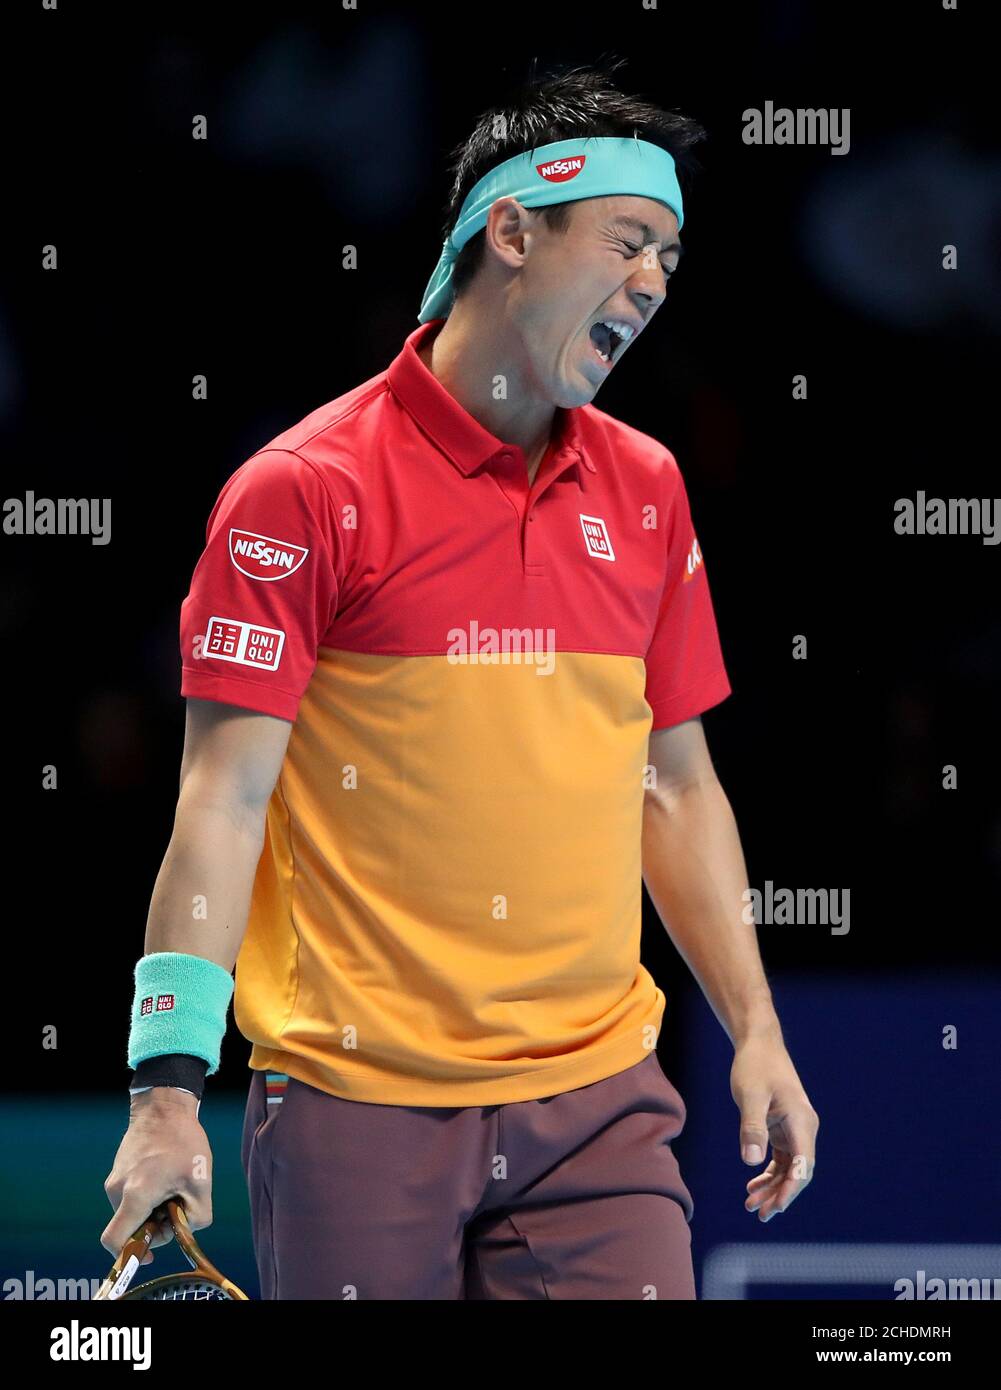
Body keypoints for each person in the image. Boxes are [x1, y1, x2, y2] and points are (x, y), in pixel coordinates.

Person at [102, 59, 818, 1300]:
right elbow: (220, 803)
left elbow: (677, 788)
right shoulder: (303, 491)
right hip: (356, 1102)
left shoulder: (646, 488)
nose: (652, 281)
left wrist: (753, 1026)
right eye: (627, 240)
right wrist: (167, 1091)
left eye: (670, 256)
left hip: (597, 1102)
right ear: (511, 231)